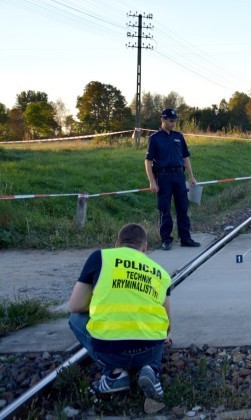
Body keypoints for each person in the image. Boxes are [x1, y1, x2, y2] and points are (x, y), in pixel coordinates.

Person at [68, 223, 171, 399]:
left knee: (75, 319)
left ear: (117, 245)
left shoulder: (100, 257)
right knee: (158, 330)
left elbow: (75, 306)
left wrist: (102, 304)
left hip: (109, 351)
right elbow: (167, 324)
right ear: (144, 248)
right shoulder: (161, 273)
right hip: (149, 350)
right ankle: (151, 368)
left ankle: (114, 373)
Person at [145, 108, 201, 250]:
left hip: (179, 176)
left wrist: (191, 176)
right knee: (165, 209)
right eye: (170, 121)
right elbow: (148, 161)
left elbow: (185, 157)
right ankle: (166, 239)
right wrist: (152, 181)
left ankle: (185, 238)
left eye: (175, 121)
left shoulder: (179, 136)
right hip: (163, 177)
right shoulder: (155, 138)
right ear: (163, 119)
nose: (173, 124)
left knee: (183, 207)